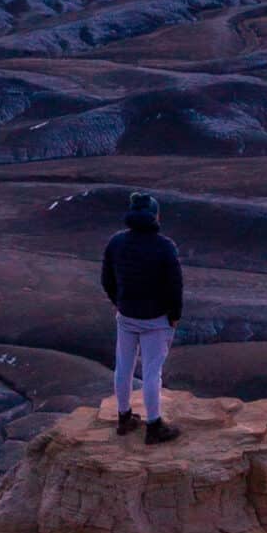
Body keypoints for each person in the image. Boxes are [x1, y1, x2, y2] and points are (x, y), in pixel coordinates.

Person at [100, 190, 183, 443]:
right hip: (156, 320)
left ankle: (124, 417)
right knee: (151, 372)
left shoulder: (117, 242)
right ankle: (154, 426)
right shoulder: (164, 247)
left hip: (126, 315)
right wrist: (174, 314)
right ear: (156, 216)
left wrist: (119, 302)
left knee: (123, 367)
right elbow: (174, 286)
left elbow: (106, 279)